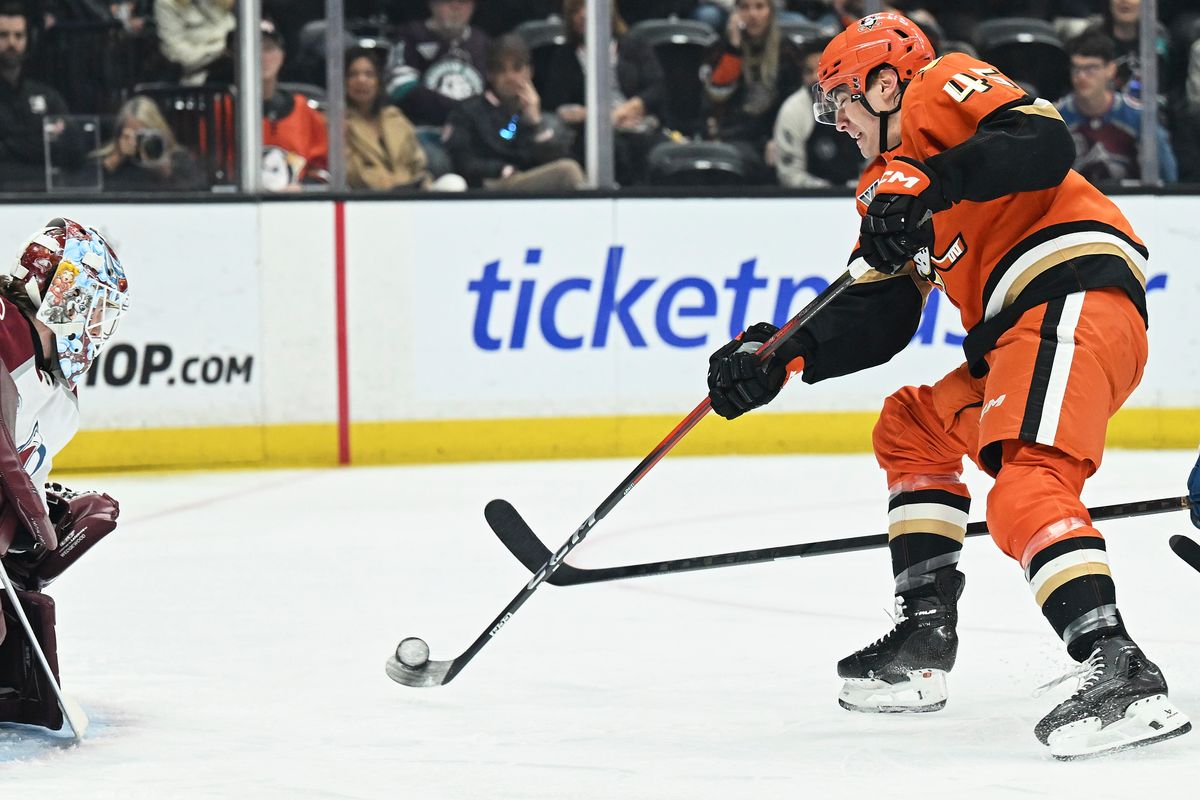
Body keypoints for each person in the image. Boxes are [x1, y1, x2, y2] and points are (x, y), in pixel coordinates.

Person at [705, 12, 1190, 758]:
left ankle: (1118, 665)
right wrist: (782, 353)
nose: (837, 123)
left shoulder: (939, 86)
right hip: (1016, 337)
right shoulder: (880, 189)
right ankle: (925, 638)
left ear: (885, 80)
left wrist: (931, 181)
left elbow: (1042, 142)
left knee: (1026, 489)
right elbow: (885, 312)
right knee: (912, 428)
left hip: (1070, 295)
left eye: (843, 102)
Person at [0, 218, 129, 732]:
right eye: (92, 306)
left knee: (90, 518)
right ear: (62, 293)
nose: (95, 327)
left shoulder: (52, 389)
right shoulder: (4, 325)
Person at [542, 0, 666, 186]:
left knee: (655, 152)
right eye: (577, 10)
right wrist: (596, 116)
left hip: (635, 124)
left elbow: (657, 88)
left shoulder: (635, 47)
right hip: (589, 133)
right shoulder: (564, 57)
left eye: (587, 9)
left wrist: (629, 108)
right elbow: (556, 105)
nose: (584, 15)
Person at [443, 34, 583, 191]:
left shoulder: (542, 118)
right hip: (487, 186)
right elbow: (462, 160)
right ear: (490, 75)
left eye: (517, 68)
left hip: (530, 185)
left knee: (570, 169)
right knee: (567, 172)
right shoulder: (468, 111)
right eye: (501, 70)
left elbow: (558, 160)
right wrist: (502, 169)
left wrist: (536, 123)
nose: (510, 77)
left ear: (529, 72)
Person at [700, 0, 805, 183]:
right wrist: (734, 48)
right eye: (745, 8)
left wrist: (778, 137)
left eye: (759, 7)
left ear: (770, 12)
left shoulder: (787, 49)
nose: (752, 15)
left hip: (772, 131)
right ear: (736, 13)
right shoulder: (720, 48)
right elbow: (717, 93)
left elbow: (793, 99)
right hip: (733, 133)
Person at [1056, 30, 1177, 185]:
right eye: (1076, 69)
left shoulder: (1138, 117)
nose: (1081, 76)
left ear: (1111, 69)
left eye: (1091, 69)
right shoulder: (1056, 118)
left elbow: (1169, 179)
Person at [344, 47, 465, 192]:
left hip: (410, 192)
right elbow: (352, 172)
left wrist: (416, 183)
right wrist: (394, 183)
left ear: (379, 82)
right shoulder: (337, 123)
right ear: (343, 82)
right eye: (353, 74)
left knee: (453, 183)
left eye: (369, 74)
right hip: (370, 196)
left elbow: (417, 162)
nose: (361, 80)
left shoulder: (394, 117)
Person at [0, 3, 82, 192]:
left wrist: (9, 143)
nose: (12, 43)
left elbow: (75, 148)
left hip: (46, 199)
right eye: (3, 35)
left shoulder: (46, 95)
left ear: (29, 40)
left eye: (18, 35)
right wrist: (43, 139)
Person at [771, 38, 864, 187]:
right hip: (810, 199)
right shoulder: (792, 110)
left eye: (822, 71)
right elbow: (790, 174)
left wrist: (860, 186)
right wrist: (826, 191)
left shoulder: (860, 101)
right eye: (809, 71)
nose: (815, 77)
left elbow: (875, 158)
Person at [385, 0, 490, 128]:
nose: (455, 6)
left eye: (463, 1)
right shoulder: (410, 35)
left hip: (474, 135)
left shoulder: (483, 43)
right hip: (421, 131)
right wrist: (462, 111)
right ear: (432, 4)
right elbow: (399, 87)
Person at [260, 18, 328, 191]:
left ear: (282, 56)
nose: (262, 57)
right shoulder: (223, 109)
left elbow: (321, 169)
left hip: (297, 208)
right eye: (254, 49)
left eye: (269, 48)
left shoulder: (303, 109)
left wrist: (303, 187)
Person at [93, 95, 205, 192]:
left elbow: (201, 192)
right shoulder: (117, 162)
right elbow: (86, 187)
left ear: (159, 130)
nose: (140, 142)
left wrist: (165, 171)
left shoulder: (178, 158)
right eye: (135, 136)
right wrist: (116, 158)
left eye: (145, 135)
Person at [153, 0, 235, 86]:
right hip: (196, 77)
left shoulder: (221, 3)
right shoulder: (167, 3)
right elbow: (175, 53)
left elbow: (231, 29)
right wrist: (218, 50)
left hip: (231, 66)